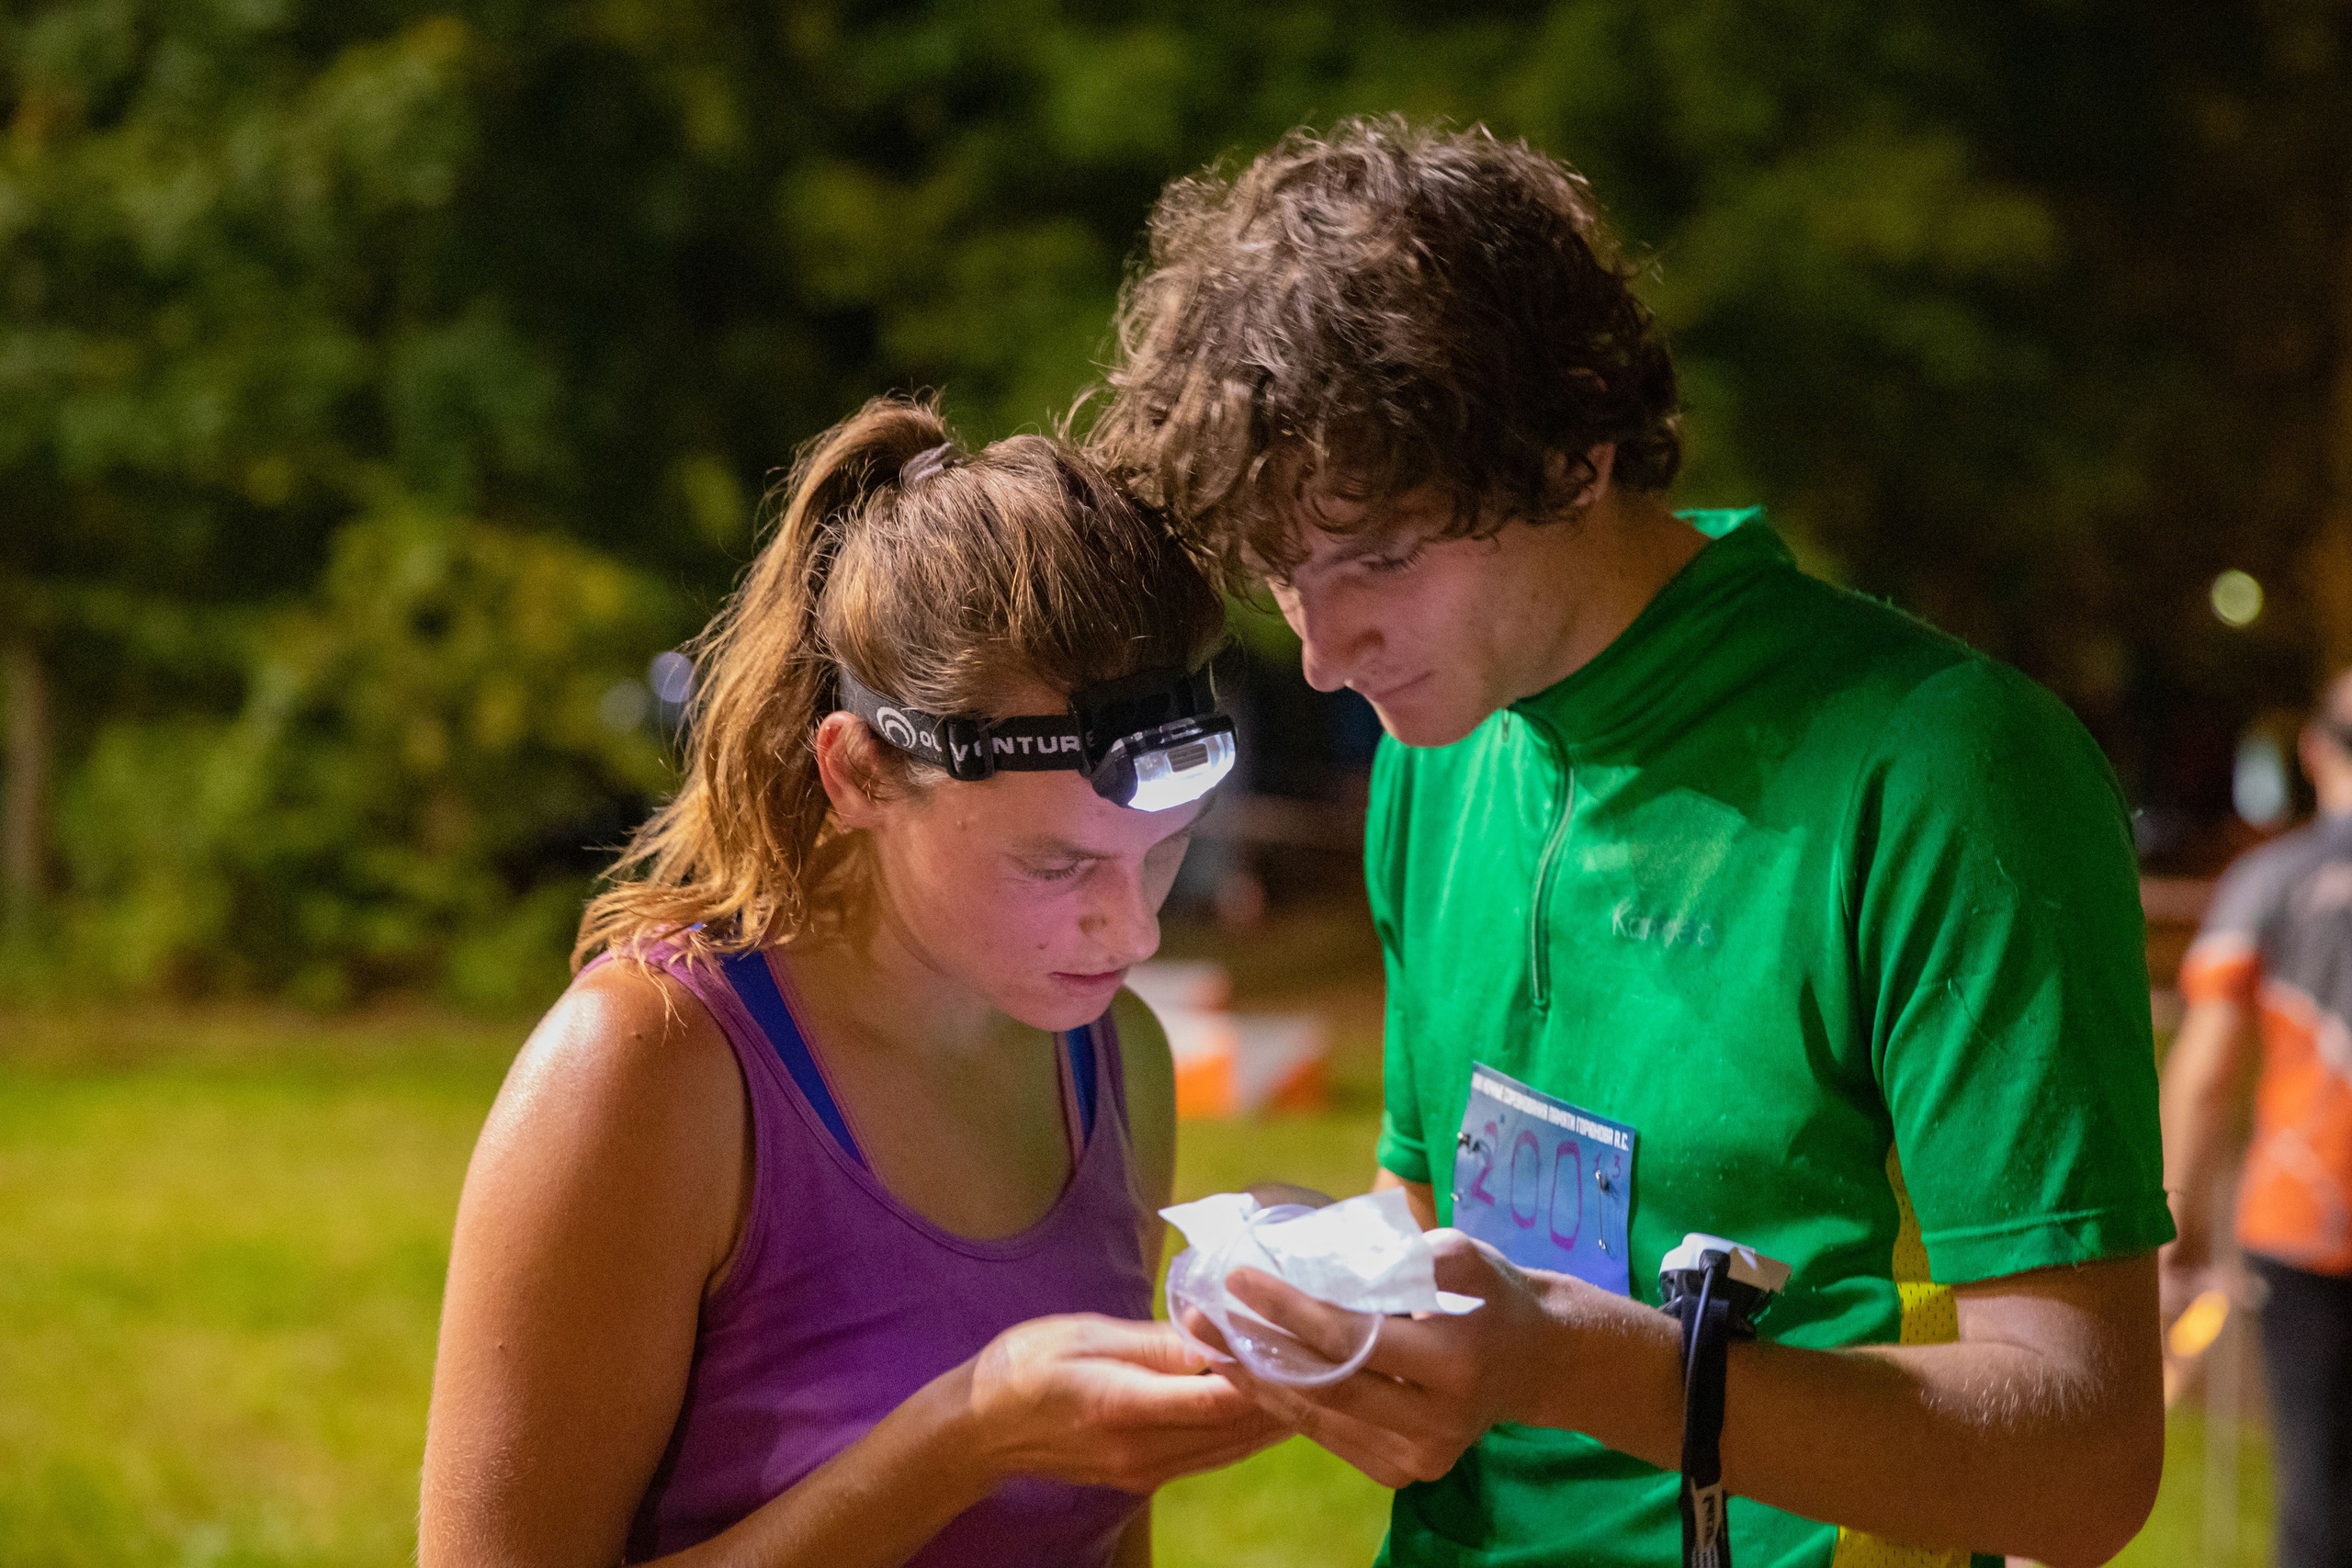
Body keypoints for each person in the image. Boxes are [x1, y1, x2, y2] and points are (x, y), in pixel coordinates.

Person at [1090, 118, 2169, 1568]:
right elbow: (1442, 1211)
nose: (1327, 652)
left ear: (1574, 447)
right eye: (1287, 573)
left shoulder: (1949, 771)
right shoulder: (1448, 739)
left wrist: (1573, 1364)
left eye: (1383, 558)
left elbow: (2082, 1460)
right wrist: (1305, 1295)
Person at [419, 398, 1280, 1568]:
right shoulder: (653, 1067)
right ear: (861, 773)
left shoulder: (1111, 1056)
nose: (1131, 929)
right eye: (1056, 862)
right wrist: (961, 1439)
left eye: (1164, 850)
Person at [2163, 674, 2352, 1568]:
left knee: (2319, 1497)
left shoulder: (2270, 881)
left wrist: (2179, 1223)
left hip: (2307, 1219)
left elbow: (2204, 1072)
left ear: (2315, 752)